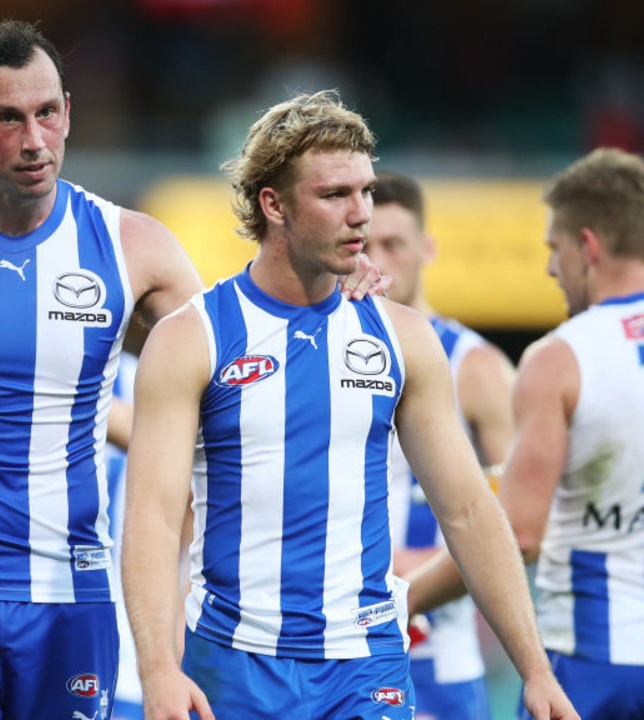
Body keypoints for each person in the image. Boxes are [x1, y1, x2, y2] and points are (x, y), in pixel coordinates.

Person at [0, 20, 389, 720]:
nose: (34, 139)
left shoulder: (133, 246)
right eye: (7, 118)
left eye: (48, 112)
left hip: (76, 601)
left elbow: (248, 354)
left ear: (68, 109)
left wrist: (333, 281)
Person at [120, 90, 577, 720]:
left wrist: (536, 669)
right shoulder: (191, 337)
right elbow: (153, 516)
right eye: (335, 195)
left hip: (368, 667)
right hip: (233, 664)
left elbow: (469, 509)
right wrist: (157, 669)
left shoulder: (404, 337)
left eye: (364, 190)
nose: (360, 213)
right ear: (273, 205)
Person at [409, 148, 644, 719]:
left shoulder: (562, 357)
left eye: (554, 248)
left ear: (588, 245)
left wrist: (407, 598)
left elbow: (521, 535)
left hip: (588, 662)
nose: (552, 268)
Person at [365, 170, 516, 719]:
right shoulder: (325, 351)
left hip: (442, 658)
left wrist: (422, 562)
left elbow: (518, 518)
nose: (378, 259)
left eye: (394, 244)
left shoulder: (477, 368)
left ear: (426, 249)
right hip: (342, 651)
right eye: (366, 243)